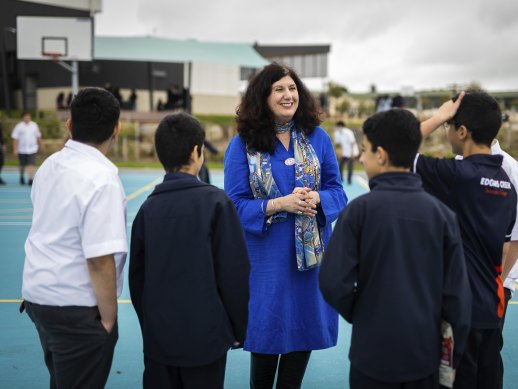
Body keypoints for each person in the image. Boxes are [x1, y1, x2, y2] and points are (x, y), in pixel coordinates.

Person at [319, 108, 472, 389]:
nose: (361, 157)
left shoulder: (358, 212)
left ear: (381, 154)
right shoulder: (442, 215)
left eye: (365, 150)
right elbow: (458, 300)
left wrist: (362, 312)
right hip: (423, 357)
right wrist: (450, 360)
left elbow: (332, 281)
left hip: (372, 357)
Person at [224, 63, 347, 389]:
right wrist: (279, 204)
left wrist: (317, 200)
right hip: (265, 261)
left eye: (292, 88)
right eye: (279, 89)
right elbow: (233, 205)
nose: (288, 95)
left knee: (303, 333)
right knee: (265, 338)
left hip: (309, 261)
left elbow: (338, 191)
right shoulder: (242, 144)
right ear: (263, 96)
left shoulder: (317, 138)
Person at [129, 112, 250, 389]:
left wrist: (151, 326)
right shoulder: (217, 203)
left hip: (160, 341)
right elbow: (234, 273)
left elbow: (137, 280)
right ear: (198, 151)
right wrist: (237, 329)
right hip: (206, 340)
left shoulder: (148, 209)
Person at [21, 87, 127, 388]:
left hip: (39, 296)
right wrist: (108, 319)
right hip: (76, 306)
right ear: (116, 129)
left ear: (70, 125)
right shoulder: (102, 179)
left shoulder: (48, 166)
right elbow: (99, 259)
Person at [415, 91, 517, 389]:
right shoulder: (507, 183)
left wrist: (439, 115)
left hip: (458, 310)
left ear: (462, 131)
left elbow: (396, 149)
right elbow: (506, 247)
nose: (446, 130)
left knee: (451, 382)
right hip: (491, 307)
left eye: (450, 125)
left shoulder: (458, 174)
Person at [491, 139, 518, 387]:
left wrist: (495, 284)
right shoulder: (459, 164)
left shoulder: (509, 167)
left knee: (486, 354)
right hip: (464, 281)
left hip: (497, 283)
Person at [11, 112, 42, 185]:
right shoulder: (19, 126)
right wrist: (15, 149)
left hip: (32, 149)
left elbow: (38, 136)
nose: (27, 118)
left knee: (31, 164)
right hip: (22, 149)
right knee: (22, 165)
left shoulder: (34, 125)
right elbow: (15, 138)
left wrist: (41, 144)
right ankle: (21, 176)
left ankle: (30, 179)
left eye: (28, 117)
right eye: (26, 117)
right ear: (23, 118)